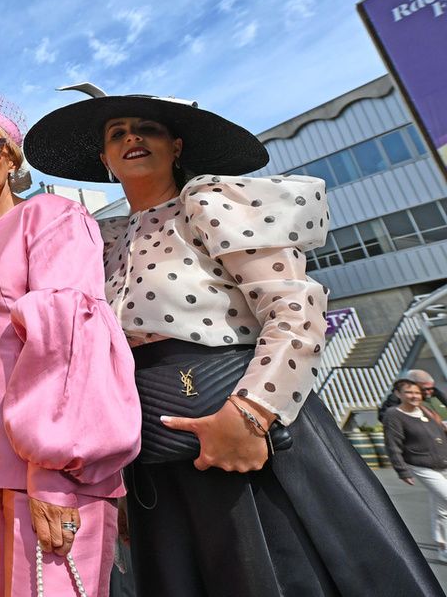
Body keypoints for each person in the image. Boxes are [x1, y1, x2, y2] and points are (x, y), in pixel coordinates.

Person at [23, 86, 444, 597]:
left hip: (249, 434)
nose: (131, 137)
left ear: (177, 146)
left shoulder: (209, 204)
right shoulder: (99, 237)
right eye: (116, 134)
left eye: (147, 128)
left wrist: (250, 414)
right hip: (154, 452)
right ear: (105, 158)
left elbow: (294, 310)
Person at [0, 91, 140, 597]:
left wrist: (55, 474)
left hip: (40, 461)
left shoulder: (52, 216)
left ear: (13, 156)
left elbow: (71, 342)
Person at [384, 377, 447, 562]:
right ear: (398, 394)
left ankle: (443, 546)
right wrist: (402, 470)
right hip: (422, 465)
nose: (414, 396)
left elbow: (439, 434)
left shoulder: (425, 410)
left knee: (442, 507)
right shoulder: (393, 415)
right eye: (409, 392)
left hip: (444, 462)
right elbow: (392, 445)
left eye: (417, 393)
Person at [379, 368, 447, 422]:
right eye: (423, 389)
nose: (428, 392)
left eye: (430, 388)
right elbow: (385, 417)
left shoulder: (438, 395)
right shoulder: (396, 399)